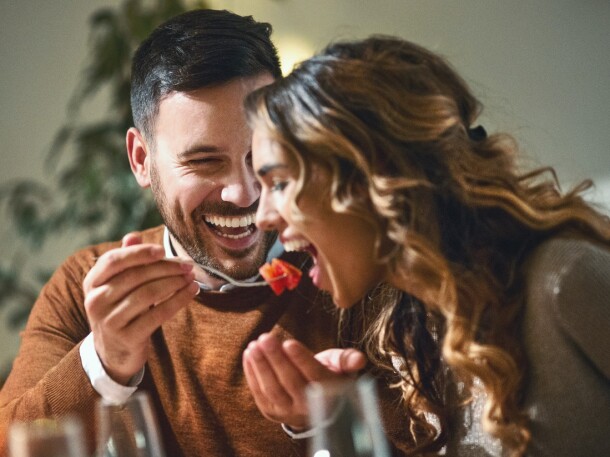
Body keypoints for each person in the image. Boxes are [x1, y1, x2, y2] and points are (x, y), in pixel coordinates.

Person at [0, 9, 354, 457]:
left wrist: (326, 423)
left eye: (261, 154)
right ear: (140, 159)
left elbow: (431, 436)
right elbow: (13, 445)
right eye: (205, 162)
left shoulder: (346, 268)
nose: (244, 193)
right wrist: (105, 363)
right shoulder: (85, 285)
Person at [242, 36, 610, 456]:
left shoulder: (564, 281)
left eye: (282, 183)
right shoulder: (420, 333)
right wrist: (336, 418)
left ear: (372, 174)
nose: (263, 216)